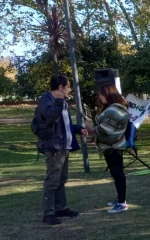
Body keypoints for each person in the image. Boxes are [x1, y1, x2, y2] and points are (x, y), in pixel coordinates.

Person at [33, 75, 88, 225]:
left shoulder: (61, 101)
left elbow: (63, 123)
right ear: (61, 87)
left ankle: (60, 208)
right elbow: (51, 118)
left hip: (64, 145)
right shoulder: (47, 100)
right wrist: (58, 100)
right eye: (68, 86)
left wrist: (78, 128)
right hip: (54, 146)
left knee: (61, 179)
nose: (70, 89)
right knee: (52, 180)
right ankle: (48, 213)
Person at [92, 83, 130, 213]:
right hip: (112, 146)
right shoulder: (115, 108)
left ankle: (122, 203)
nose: (100, 96)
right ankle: (120, 198)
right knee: (116, 173)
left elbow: (105, 130)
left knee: (118, 173)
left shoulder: (114, 110)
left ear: (109, 94)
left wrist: (90, 129)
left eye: (102, 94)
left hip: (113, 146)